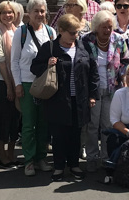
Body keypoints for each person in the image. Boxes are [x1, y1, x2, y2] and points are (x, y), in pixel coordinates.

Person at [31, 13, 98, 181]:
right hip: (57, 100)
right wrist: (47, 64)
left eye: (77, 32)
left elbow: (93, 73)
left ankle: (74, 165)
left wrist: (92, 95)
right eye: (72, 32)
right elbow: (34, 67)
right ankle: (59, 167)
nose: (75, 36)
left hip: (79, 99)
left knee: (76, 135)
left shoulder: (84, 47)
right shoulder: (50, 47)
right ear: (61, 30)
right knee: (59, 135)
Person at [80, 9, 129, 172]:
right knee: (92, 125)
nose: (107, 30)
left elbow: (125, 61)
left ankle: (106, 157)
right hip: (92, 89)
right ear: (96, 27)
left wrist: (122, 77)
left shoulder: (119, 39)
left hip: (112, 89)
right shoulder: (86, 40)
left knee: (108, 125)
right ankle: (92, 157)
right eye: (104, 27)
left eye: (110, 27)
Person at [11, 0, 55, 176]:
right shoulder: (20, 33)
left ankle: (41, 157)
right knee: (29, 124)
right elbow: (14, 61)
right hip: (28, 83)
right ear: (28, 13)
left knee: (44, 122)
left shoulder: (51, 32)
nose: (39, 14)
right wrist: (18, 84)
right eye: (35, 10)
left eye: (42, 11)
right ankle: (29, 160)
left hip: (45, 84)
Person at [0, 0, 21, 167]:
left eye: (10, 12)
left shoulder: (17, 31)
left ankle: (12, 153)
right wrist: (9, 85)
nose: (7, 15)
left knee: (15, 119)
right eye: (4, 12)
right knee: (3, 119)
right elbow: (0, 60)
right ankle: (2, 155)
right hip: (4, 83)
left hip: (17, 80)